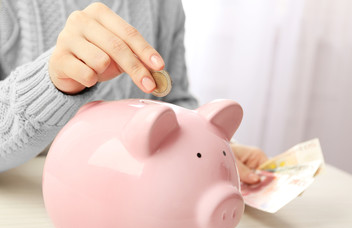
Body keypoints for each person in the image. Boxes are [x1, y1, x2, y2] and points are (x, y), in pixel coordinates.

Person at [0, 0, 267, 184]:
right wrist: (52, 83)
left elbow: (173, 100)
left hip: (134, 191)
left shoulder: (163, 4)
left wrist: (211, 147)